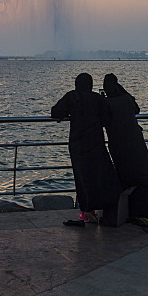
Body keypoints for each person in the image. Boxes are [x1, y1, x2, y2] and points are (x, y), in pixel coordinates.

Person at [51, 73, 121, 223]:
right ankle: (105, 208)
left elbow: (55, 112)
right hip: (96, 143)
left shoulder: (71, 97)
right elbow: (106, 119)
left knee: (82, 178)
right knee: (101, 175)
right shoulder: (98, 99)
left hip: (78, 145)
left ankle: (86, 210)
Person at [101, 74, 148, 219]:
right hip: (136, 143)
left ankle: (128, 211)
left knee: (125, 176)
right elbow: (137, 109)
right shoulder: (126, 98)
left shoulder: (107, 103)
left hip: (118, 145)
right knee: (143, 175)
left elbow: (103, 120)